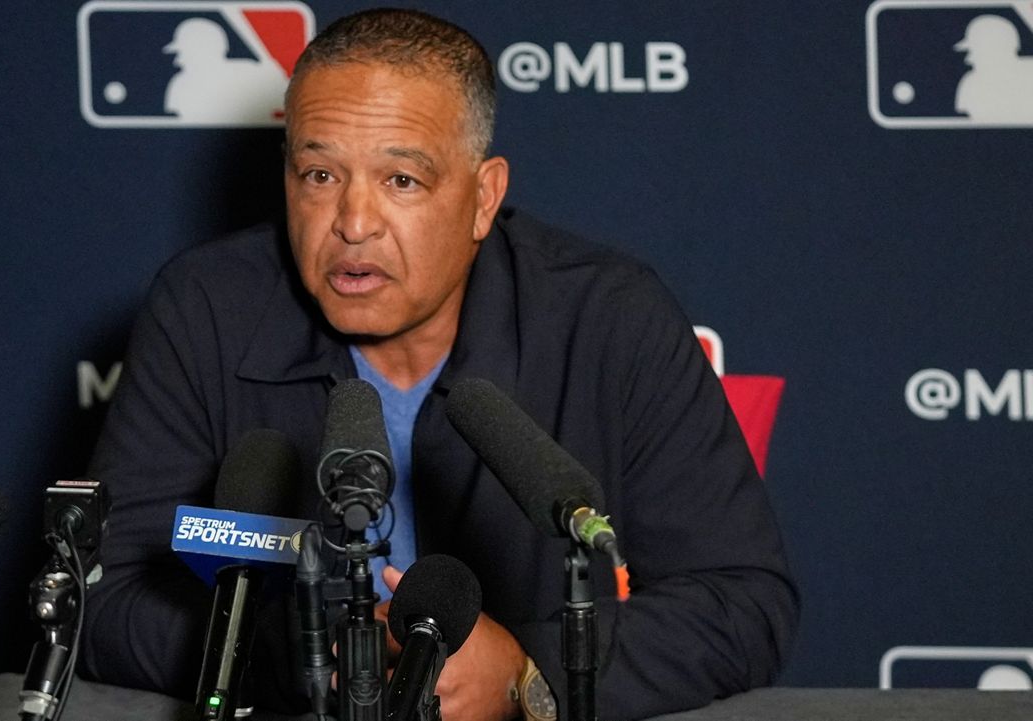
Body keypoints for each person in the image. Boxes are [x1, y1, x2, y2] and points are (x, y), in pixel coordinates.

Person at [81, 9, 798, 721]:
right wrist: (296, 655)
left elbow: (741, 599)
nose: (353, 223)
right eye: (320, 173)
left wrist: (525, 670)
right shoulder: (204, 309)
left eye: (401, 181)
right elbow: (106, 597)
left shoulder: (608, 317)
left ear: (483, 197)